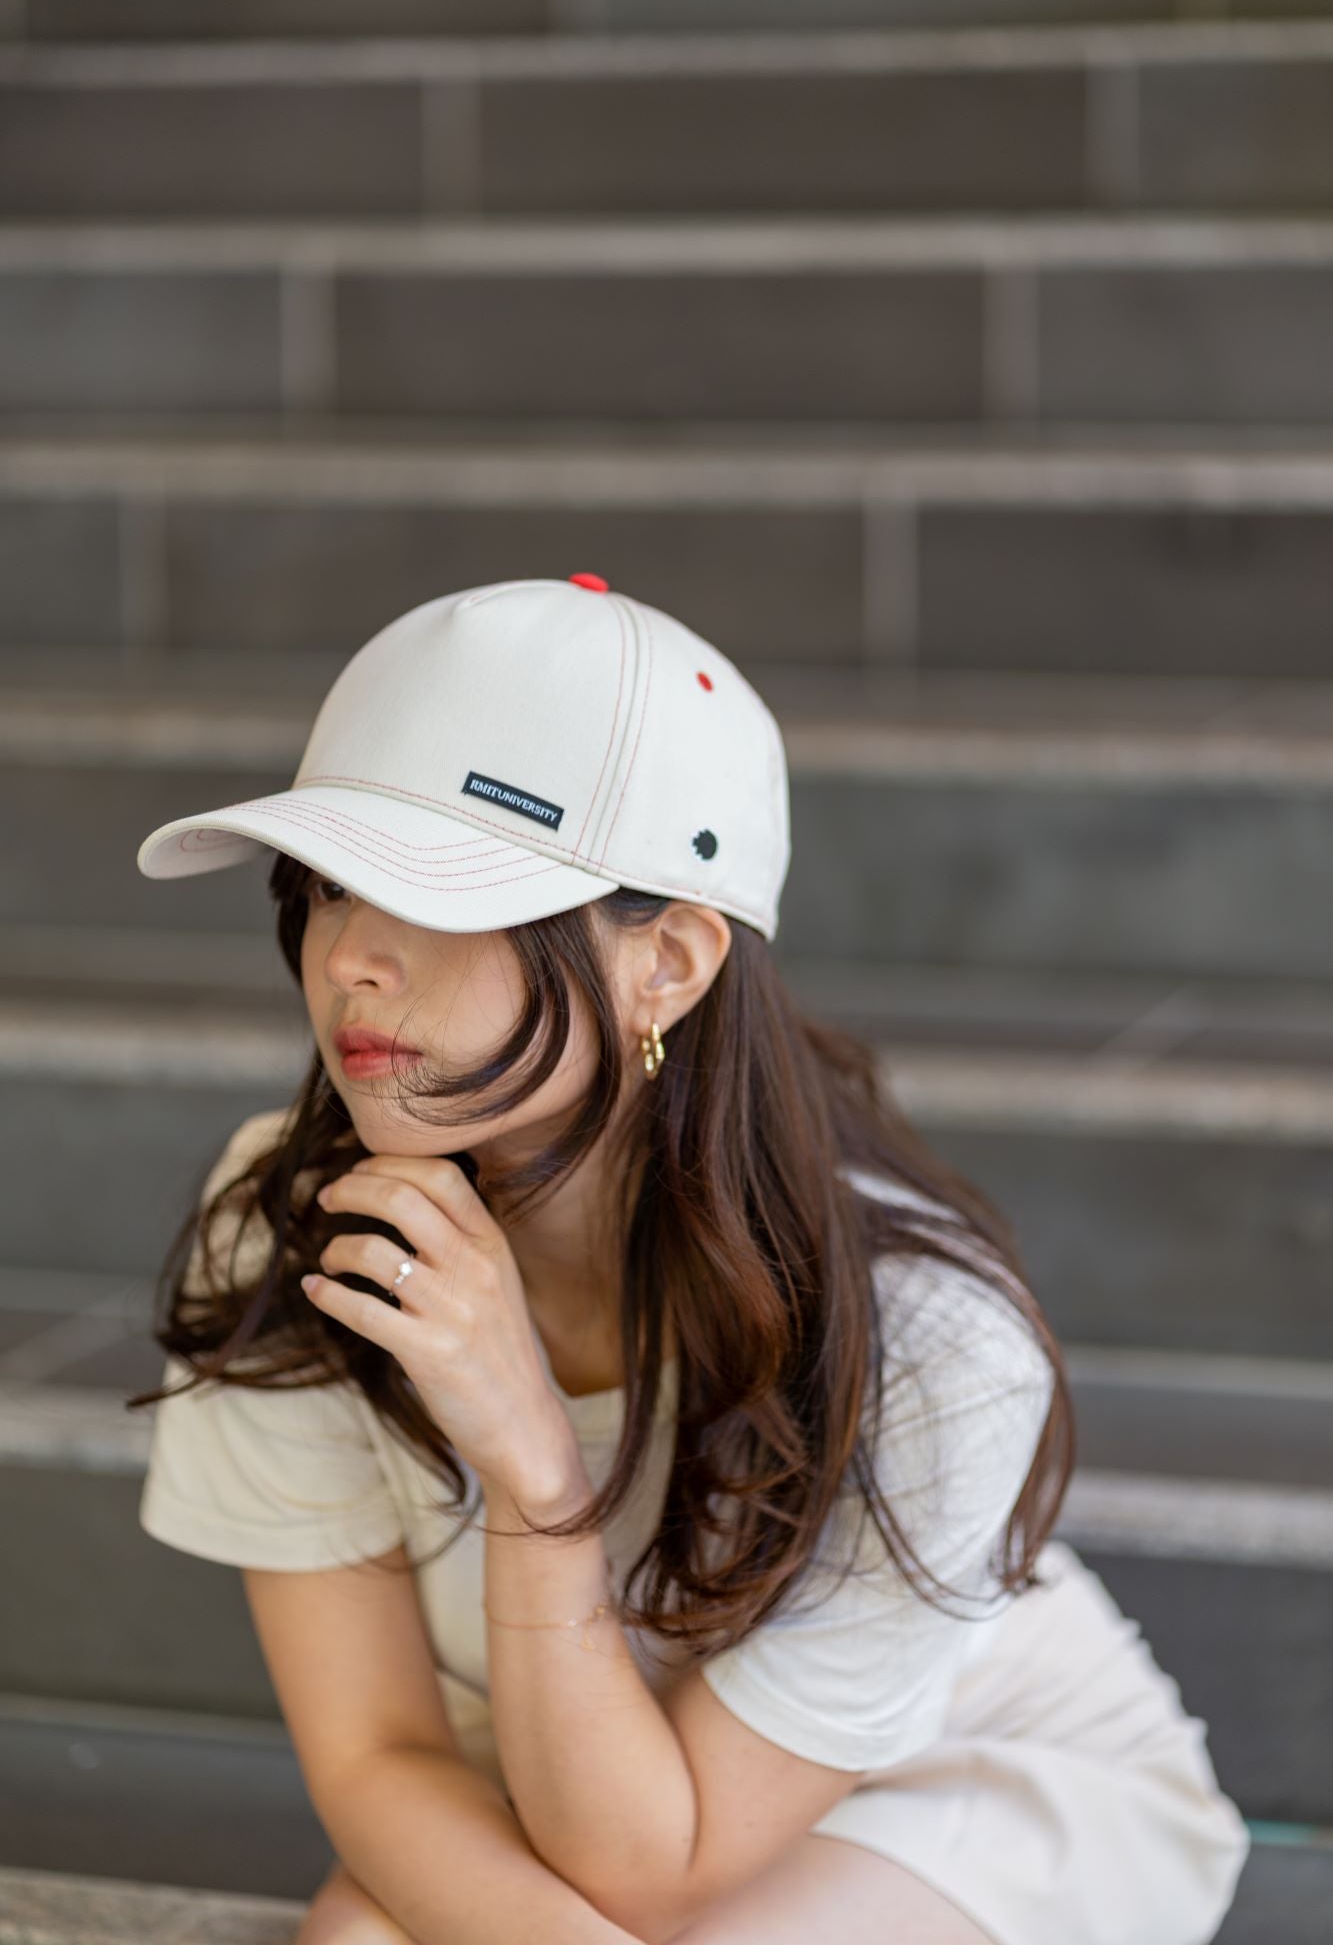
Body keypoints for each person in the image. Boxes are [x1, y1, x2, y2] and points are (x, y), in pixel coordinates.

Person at [129, 574, 1251, 1945]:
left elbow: (660, 1877)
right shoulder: (297, 1223)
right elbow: (373, 1760)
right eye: (323, 885)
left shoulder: (933, 1341)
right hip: (573, 1759)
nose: (350, 958)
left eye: (437, 889)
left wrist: (536, 1470)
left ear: (665, 961)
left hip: (951, 1778)